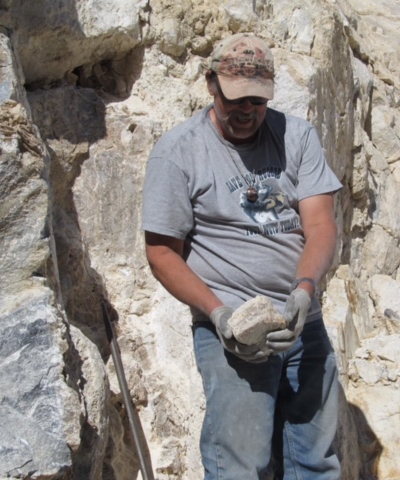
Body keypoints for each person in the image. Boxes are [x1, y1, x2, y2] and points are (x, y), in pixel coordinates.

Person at [142, 32, 342, 479]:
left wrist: (305, 290)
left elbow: (321, 225)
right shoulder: (178, 153)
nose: (247, 111)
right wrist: (220, 316)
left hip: (301, 323)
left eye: (257, 100)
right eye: (235, 99)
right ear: (211, 84)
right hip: (232, 330)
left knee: (316, 460)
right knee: (240, 465)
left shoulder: (297, 136)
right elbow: (160, 252)